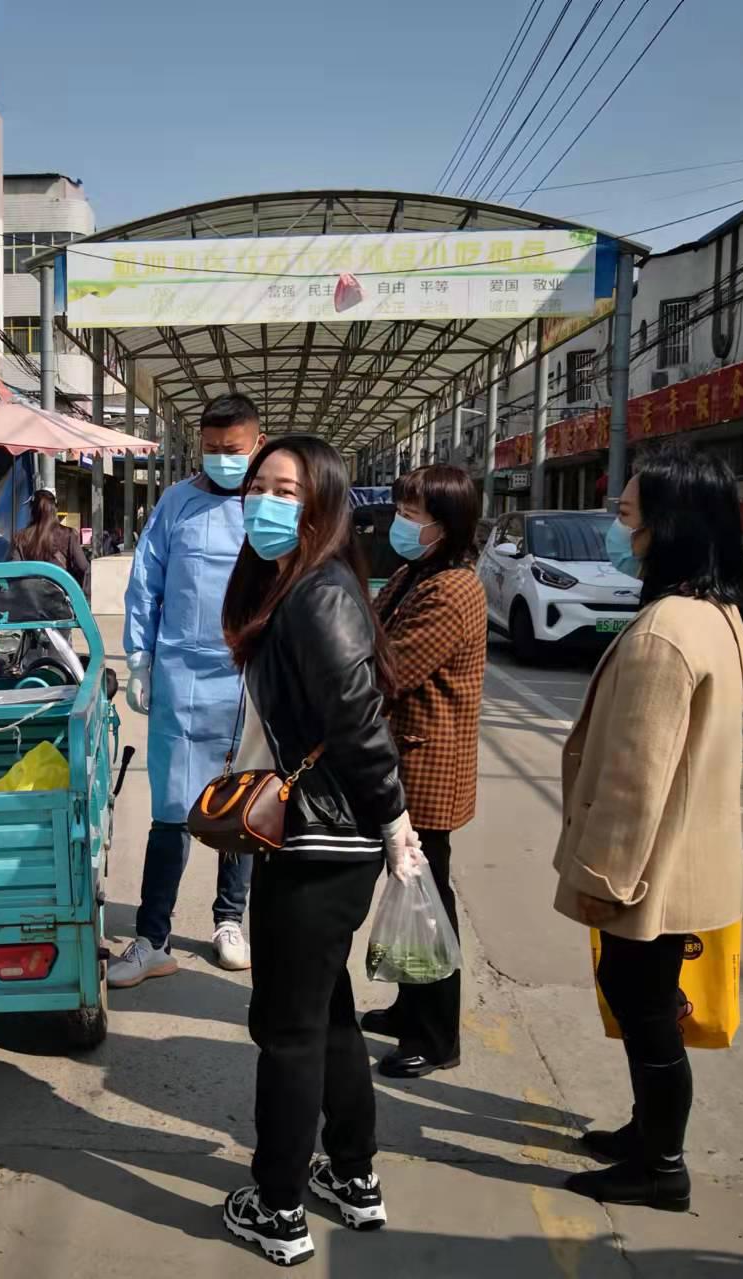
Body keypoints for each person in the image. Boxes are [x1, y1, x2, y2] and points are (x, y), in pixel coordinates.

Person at [217, 436, 422, 1266]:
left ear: (320, 503)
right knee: (328, 1011)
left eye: (284, 489)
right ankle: (354, 1176)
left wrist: (395, 819)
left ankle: (277, 1207)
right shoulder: (301, 587)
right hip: (326, 837)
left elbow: (358, 721)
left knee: (289, 1028)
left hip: (320, 843)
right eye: (258, 486)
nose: (265, 501)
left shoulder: (319, 595)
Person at [554, 445, 743, 1214]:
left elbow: (636, 780)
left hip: (650, 866)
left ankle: (662, 1164)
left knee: (643, 1004)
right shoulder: (719, 615)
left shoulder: (663, 633)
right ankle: (646, 1131)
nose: (617, 528)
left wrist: (604, 881)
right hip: (691, 853)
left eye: (627, 516)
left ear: (668, 527)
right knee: (649, 998)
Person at [114, 393, 267, 984]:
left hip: (246, 677)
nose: (221, 460)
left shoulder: (268, 507)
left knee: (239, 803)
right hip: (182, 673)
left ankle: (229, 919)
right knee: (172, 810)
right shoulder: (175, 504)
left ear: (256, 443)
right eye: (210, 450)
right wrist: (139, 657)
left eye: (232, 450)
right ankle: (152, 938)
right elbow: (146, 581)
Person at [358, 465, 487, 1079]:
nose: (402, 522)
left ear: (447, 523)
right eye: (402, 508)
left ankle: (437, 1036)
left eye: (414, 513)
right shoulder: (416, 572)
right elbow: (372, 624)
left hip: (428, 764)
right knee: (411, 889)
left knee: (427, 898)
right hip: (407, 756)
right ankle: (412, 1006)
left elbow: (393, 666)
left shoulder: (453, 590)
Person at [10, 487, 90, 586]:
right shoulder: (69, 534)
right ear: (55, 509)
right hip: (60, 597)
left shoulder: (20, 537)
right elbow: (84, 568)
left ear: (32, 510)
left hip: (31, 598)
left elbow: (14, 570)